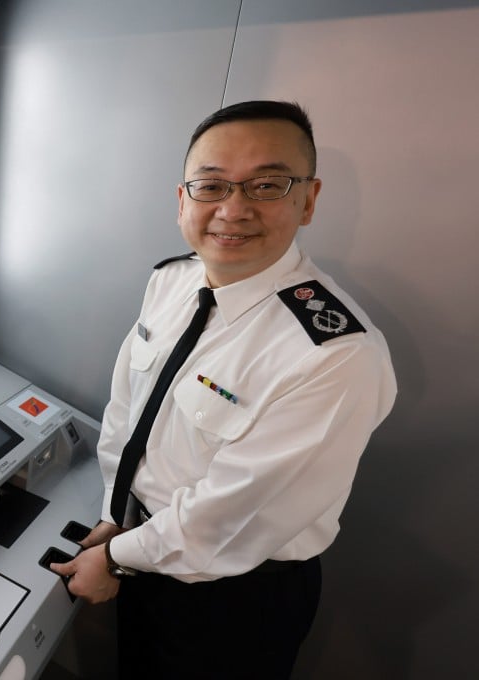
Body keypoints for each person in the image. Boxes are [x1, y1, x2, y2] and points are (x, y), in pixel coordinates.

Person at [49, 100, 396, 678]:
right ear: (182, 199)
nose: (233, 209)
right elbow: (127, 412)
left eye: (267, 184)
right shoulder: (171, 280)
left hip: (233, 598)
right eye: (211, 186)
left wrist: (113, 556)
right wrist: (115, 515)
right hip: (144, 548)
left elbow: (231, 516)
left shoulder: (335, 354)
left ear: (307, 199)